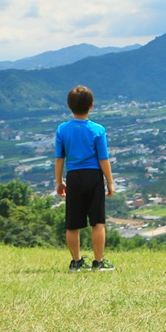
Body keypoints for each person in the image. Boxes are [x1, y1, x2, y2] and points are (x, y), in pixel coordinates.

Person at [55, 85, 115, 272]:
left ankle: (77, 262)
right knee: (97, 221)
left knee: (73, 223)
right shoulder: (98, 130)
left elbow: (59, 159)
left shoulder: (62, 130)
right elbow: (103, 159)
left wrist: (59, 182)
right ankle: (98, 262)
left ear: (69, 105)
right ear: (91, 105)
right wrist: (110, 182)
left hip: (73, 177)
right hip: (93, 177)